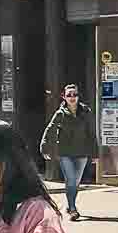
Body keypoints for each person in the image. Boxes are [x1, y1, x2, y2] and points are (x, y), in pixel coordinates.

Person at [40, 84, 97, 219]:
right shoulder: (60, 113)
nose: (72, 97)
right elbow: (50, 129)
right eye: (69, 95)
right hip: (65, 152)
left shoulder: (85, 112)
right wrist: (44, 146)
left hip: (82, 152)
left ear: (78, 96)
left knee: (76, 181)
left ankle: (70, 204)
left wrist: (95, 153)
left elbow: (91, 133)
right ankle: (72, 208)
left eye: (74, 95)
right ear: (64, 97)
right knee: (70, 179)